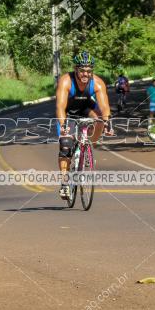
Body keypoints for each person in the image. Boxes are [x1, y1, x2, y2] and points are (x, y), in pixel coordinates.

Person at [55, 51, 112, 199]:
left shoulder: (98, 83)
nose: (85, 74)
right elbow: (60, 107)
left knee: (100, 118)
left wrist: (107, 123)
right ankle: (64, 184)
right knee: (66, 145)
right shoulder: (66, 81)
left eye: (89, 71)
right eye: (82, 71)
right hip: (68, 112)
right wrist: (63, 125)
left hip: (86, 109)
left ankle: (89, 145)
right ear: (76, 69)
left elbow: (104, 107)